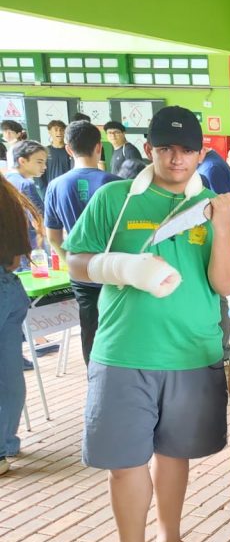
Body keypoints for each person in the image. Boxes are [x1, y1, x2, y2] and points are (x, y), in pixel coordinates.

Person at [63, 105, 230, 542]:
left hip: (192, 352)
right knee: (124, 463)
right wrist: (123, 267)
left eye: (187, 150)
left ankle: (169, 540)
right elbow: (75, 260)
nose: (176, 158)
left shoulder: (212, 207)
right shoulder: (115, 198)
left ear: (201, 154)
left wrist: (223, 227)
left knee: (175, 454)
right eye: (165, 148)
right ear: (149, 150)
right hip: (123, 351)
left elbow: (226, 284)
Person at [43, 121, 121, 365]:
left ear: (68, 149)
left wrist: (71, 263)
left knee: (89, 327)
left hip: (82, 274)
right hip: (113, 271)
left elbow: (53, 236)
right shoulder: (116, 184)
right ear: (99, 147)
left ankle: (94, 377)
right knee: (120, 326)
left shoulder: (55, 186)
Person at [0, 176, 41, 474]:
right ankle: (6, 444)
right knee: (9, 372)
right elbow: (15, 260)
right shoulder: (8, 197)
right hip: (10, 287)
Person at [6, 140, 48, 268]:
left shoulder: (6, 180)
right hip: (29, 247)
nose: (44, 166)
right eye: (39, 162)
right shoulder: (25, 184)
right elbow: (39, 220)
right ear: (22, 161)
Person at [41, 119, 73, 193]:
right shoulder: (44, 151)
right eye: (56, 130)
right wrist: (44, 192)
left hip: (68, 190)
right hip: (50, 191)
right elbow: (40, 175)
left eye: (61, 130)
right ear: (50, 132)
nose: (59, 132)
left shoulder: (71, 150)